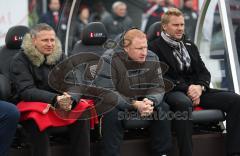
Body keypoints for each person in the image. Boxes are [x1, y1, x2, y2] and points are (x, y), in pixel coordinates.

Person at [148, 8, 240, 156]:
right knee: (184, 103)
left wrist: (200, 87)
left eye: (182, 25)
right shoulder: (154, 47)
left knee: (235, 100)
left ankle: (234, 151)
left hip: (196, 89)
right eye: (175, 25)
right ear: (164, 26)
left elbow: (204, 72)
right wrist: (189, 89)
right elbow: (162, 78)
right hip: (173, 90)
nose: (180, 28)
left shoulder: (189, 45)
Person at [10, 23, 91, 156]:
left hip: (59, 101)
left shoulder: (60, 56)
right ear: (33, 40)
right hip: (31, 103)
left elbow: (75, 82)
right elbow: (27, 91)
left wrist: (70, 98)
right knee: (36, 118)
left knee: (82, 111)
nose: (50, 44)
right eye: (45, 40)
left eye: (52, 40)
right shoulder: (20, 60)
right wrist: (55, 99)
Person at [94, 28, 172, 156]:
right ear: (126, 48)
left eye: (145, 47)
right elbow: (108, 92)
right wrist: (135, 104)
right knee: (111, 113)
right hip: (116, 102)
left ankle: (162, 153)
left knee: (162, 107)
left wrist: (150, 101)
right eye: (139, 49)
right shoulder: (109, 59)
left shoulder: (152, 57)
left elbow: (158, 86)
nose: (144, 52)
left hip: (142, 100)